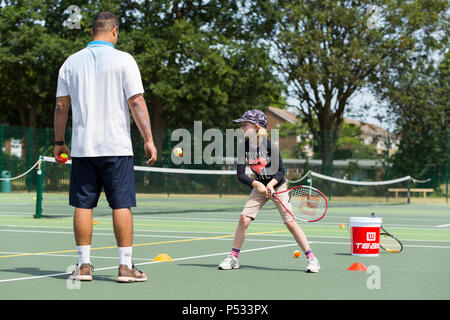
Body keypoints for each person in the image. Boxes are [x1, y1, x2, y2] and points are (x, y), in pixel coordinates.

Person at [54, 11, 157, 283]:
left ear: (91, 32)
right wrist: (148, 138)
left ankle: (84, 266)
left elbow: (61, 107)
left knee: (83, 206)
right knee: (121, 204)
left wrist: (59, 142)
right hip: (117, 147)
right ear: (115, 32)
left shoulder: (71, 63)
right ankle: (125, 268)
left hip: (83, 148)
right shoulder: (125, 60)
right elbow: (136, 102)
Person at [218, 109, 320, 273]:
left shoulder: (270, 146)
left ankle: (312, 259)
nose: (242, 128)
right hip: (259, 186)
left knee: (290, 223)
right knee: (244, 219)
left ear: (257, 127)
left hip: (277, 186)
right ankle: (233, 258)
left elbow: (281, 172)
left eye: (246, 125)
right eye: (242, 125)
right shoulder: (243, 147)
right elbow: (240, 175)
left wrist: (271, 185)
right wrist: (257, 185)